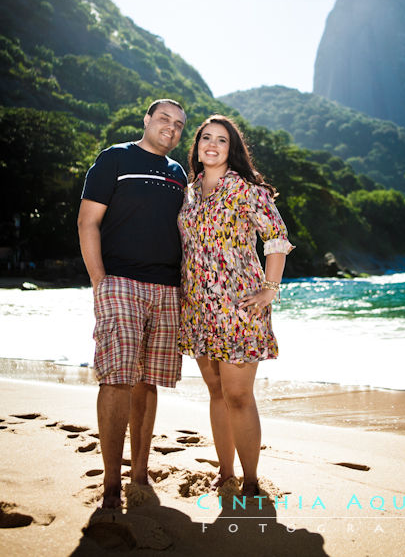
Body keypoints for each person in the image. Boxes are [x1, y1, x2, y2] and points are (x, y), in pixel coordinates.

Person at [77, 98, 187, 509]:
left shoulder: (178, 174)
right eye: (164, 119)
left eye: (178, 124)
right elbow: (88, 220)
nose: (171, 128)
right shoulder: (115, 158)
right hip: (120, 281)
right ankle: (109, 483)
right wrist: (99, 280)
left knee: (148, 380)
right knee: (118, 377)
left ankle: (139, 475)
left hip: (168, 288)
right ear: (147, 119)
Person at [178, 114, 293, 497]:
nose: (212, 145)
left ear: (232, 149)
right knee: (215, 391)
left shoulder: (246, 189)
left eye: (221, 140)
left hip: (239, 307)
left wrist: (269, 289)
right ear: (196, 147)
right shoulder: (189, 192)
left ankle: (251, 481)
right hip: (196, 306)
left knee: (239, 396)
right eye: (205, 138)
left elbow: (276, 238)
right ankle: (224, 474)